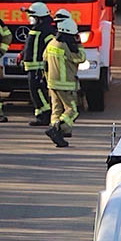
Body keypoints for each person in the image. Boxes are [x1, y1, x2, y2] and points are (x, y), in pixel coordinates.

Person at [44, 17, 86, 147]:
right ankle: (57, 130)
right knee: (72, 110)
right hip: (66, 84)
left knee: (56, 110)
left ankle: (59, 136)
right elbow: (81, 58)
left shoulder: (51, 44)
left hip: (52, 83)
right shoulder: (66, 47)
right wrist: (79, 44)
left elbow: (44, 61)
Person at [22, 2, 56, 127]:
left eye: (32, 16)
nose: (30, 19)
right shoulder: (36, 30)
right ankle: (40, 115)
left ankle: (45, 115)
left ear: (40, 18)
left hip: (39, 68)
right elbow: (30, 47)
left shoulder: (47, 32)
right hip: (32, 67)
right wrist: (22, 55)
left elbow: (50, 50)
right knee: (35, 92)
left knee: (39, 92)